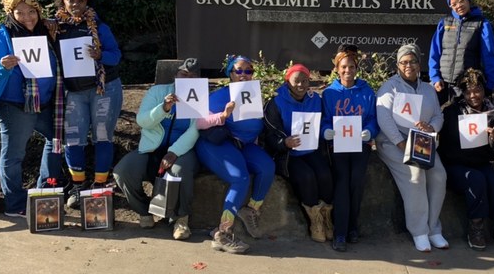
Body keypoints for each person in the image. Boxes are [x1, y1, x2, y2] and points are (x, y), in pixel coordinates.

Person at [0, 0, 64, 217]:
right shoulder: (1, 36)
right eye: (20, 13)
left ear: (39, 11)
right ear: (10, 13)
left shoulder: (46, 31)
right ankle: (15, 204)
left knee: (56, 140)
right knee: (14, 154)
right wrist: (0, 64)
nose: (27, 17)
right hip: (14, 105)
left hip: (46, 103)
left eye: (32, 12)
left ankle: (45, 190)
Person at [52, 0, 123, 208]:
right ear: (62, 1)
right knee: (74, 139)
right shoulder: (55, 27)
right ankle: (78, 185)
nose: (76, 4)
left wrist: (99, 55)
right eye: (70, 0)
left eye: (81, 0)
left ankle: (99, 186)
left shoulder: (99, 26)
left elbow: (116, 56)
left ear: (88, 0)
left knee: (102, 136)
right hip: (73, 91)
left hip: (104, 88)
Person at [112, 58, 200, 240]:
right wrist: (164, 108)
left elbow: (195, 130)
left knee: (179, 170)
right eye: (183, 74)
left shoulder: (199, 96)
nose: (186, 79)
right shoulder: (157, 92)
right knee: (123, 172)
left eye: (192, 76)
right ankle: (144, 211)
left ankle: (181, 219)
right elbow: (142, 121)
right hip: (151, 148)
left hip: (182, 150)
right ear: (176, 75)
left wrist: (174, 152)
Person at [196, 55, 275, 255]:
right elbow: (198, 122)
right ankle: (222, 233)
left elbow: (255, 127)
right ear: (230, 73)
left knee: (267, 167)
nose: (243, 75)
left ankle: (251, 210)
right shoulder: (219, 96)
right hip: (217, 143)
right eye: (238, 70)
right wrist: (223, 115)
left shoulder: (255, 95)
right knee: (240, 178)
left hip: (244, 145)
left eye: (248, 71)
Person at [438, 68, 494, 252]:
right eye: (468, 91)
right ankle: (476, 226)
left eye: (477, 90)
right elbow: (444, 148)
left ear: (485, 91)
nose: (473, 95)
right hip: (455, 165)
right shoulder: (451, 113)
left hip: (481, 163)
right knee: (476, 179)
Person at [376, 44, 448, 252]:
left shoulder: (427, 89)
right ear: (398, 65)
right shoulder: (390, 87)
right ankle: (419, 231)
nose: (408, 65)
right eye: (404, 62)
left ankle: (434, 228)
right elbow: (384, 117)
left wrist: (431, 127)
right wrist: (399, 142)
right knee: (416, 176)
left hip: (421, 142)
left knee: (439, 175)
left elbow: (438, 115)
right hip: (393, 142)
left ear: (419, 64)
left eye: (412, 61)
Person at [262, 64, 333, 243]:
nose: (301, 85)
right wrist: (284, 143)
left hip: (311, 149)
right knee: (307, 176)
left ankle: (326, 217)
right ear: (287, 81)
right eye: (296, 81)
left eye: (305, 81)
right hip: (287, 154)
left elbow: (324, 121)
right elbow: (269, 135)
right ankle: (314, 220)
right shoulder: (275, 102)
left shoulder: (315, 99)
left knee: (325, 174)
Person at [320, 44, 379, 252]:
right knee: (342, 184)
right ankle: (340, 233)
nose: (348, 71)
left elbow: (372, 118)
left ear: (356, 69)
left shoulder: (367, 91)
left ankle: (353, 226)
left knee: (357, 184)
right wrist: (326, 131)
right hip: (338, 146)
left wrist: (370, 131)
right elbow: (324, 120)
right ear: (337, 68)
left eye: (351, 67)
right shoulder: (329, 94)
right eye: (343, 67)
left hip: (360, 145)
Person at [429, 0, 494, 105]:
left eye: (461, 0)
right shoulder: (444, 23)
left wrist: (490, 83)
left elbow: (489, 55)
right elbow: (434, 52)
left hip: (466, 84)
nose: (459, 6)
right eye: (454, 4)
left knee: (461, 121)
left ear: (468, 0)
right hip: (442, 83)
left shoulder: (482, 23)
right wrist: (435, 77)